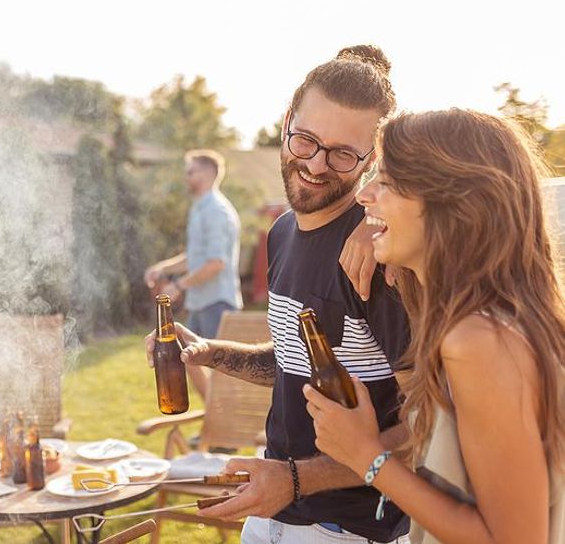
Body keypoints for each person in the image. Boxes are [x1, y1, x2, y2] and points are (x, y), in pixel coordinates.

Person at [146, 45, 413, 543]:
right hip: (274, 512)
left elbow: (429, 423)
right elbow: (302, 362)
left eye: (342, 153)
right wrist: (210, 354)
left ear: (372, 158)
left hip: (349, 530)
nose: (315, 164)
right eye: (306, 140)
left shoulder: (379, 257)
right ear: (286, 121)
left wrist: (296, 480)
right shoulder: (284, 232)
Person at [305, 109, 564, 544]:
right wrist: (395, 246)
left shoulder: (481, 342)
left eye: (385, 182)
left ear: (451, 202)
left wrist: (365, 456)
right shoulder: (485, 322)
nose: (364, 196)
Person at [144, 149, 241, 400]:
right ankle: (214, 421)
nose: (186, 177)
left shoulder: (216, 211)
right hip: (201, 303)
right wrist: (163, 268)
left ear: (208, 174)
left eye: (191, 172)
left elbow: (216, 262)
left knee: (221, 372)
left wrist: (179, 286)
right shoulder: (200, 208)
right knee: (189, 360)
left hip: (218, 303)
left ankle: (223, 434)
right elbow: (195, 257)